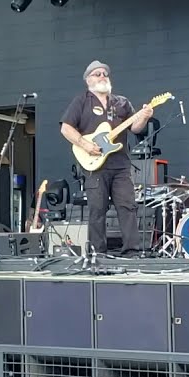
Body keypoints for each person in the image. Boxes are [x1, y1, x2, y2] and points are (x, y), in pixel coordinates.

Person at [60, 60, 153, 256]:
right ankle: (98, 253)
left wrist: (144, 116)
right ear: (88, 80)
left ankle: (132, 251)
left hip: (120, 164)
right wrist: (85, 144)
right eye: (97, 74)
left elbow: (135, 128)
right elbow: (66, 128)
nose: (102, 76)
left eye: (105, 73)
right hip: (94, 165)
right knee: (97, 209)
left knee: (127, 206)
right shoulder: (81, 101)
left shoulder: (121, 102)